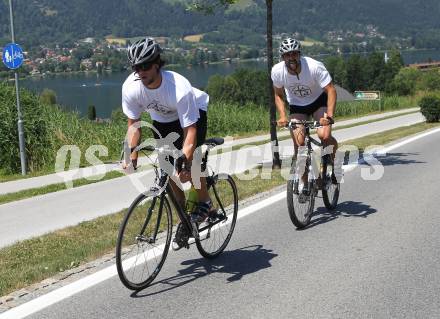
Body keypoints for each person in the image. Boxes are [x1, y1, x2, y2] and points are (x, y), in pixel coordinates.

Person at [121, 37, 214, 241]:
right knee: (166, 167)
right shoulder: (131, 88)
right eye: (137, 67)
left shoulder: (179, 88)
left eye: (145, 66)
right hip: (162, 120)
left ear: (157, 64)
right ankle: (184, 217)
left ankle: (205, 202)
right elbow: (133, 126)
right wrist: (132, 154)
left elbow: (190, 131)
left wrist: (185, 159)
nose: (141, 72)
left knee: (190, 163)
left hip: (193, 114)